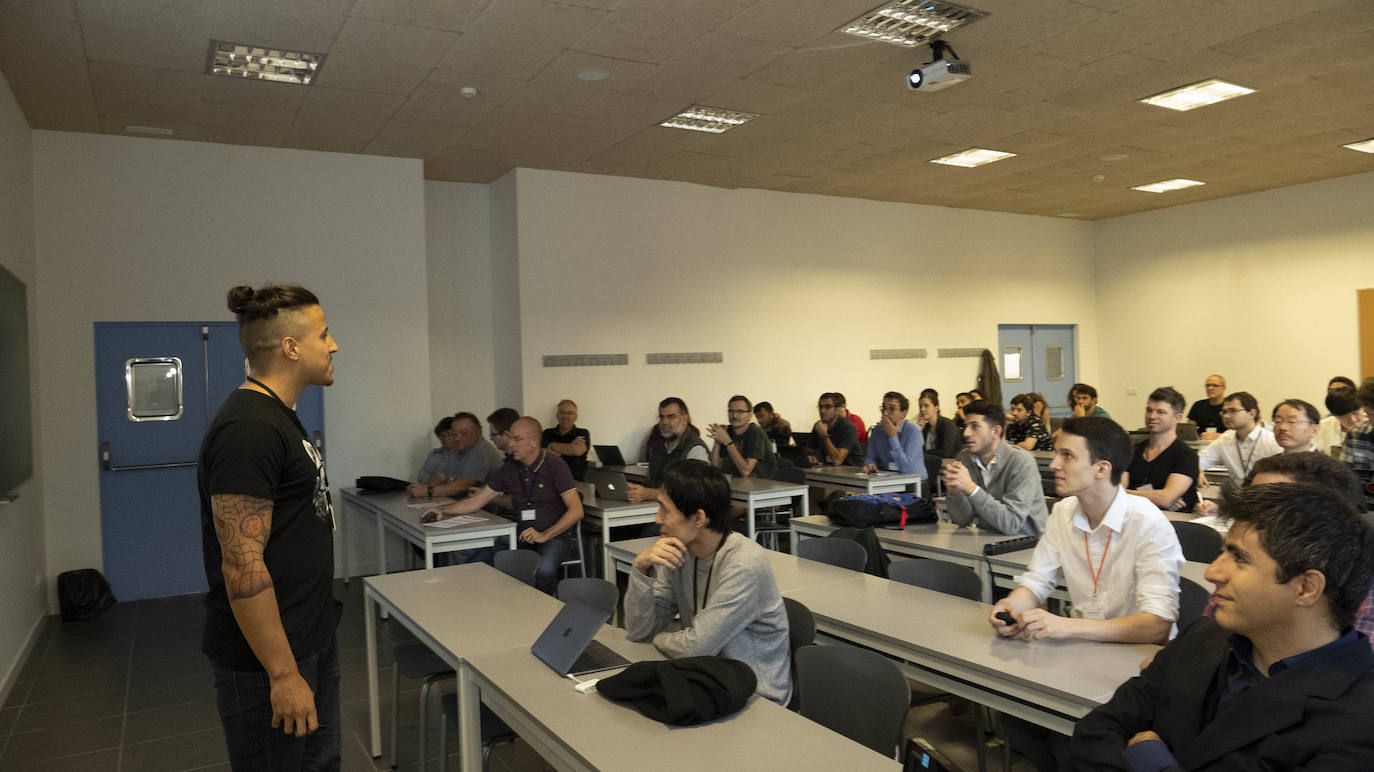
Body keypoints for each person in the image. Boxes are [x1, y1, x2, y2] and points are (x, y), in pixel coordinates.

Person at [1072, 483, 1374, 771]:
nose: (1213, 572)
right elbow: (1095, 731)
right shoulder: (1204, 636)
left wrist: (1151, 760)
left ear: (1306, 588)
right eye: (1223, 551)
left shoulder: (1360, 718)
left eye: (1240, 559)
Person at [198, 284, 342, 769]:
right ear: (292, 347)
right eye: (324, 334)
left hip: (308, 636)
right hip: (268, 663)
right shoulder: (250, 429)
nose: (334, 344)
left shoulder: (279, 416)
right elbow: (242, 564)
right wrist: (282, 675)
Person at [993, 416, 1185, 772]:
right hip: (1080, 654)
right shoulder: (1063, 512)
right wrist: (1010, 606)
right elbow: (1036, 583)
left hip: (1136, 666)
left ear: (1101, 468)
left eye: (1067, 456)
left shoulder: (1148, 523)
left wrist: (1066, 627)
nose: (1053, 464)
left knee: (1074, 741)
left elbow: (1157, 626)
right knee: (1017, 713)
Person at [624, 460, 792, 705]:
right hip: (706, 680)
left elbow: (695, 647)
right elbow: (639, 630)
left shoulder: (744, 564)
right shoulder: (680, 552)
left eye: (665, 510)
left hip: (756, 698)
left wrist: (660, 638)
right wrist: (640, 569)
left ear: (698, 518)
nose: (658, 519)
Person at [422, 417, 583, 594]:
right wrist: (441, 510)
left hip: (554, 535)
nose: (511, 444)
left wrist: (544, 535)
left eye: (517, 439)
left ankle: (544, 613)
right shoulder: (510, 468)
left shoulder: (555, 466)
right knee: (481, 560)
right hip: (521, 534)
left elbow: (576, 510)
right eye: (510, 438)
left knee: (544, 569)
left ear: (534, 441)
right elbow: (477, 500)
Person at [943, 400, 1047, 536]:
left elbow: (1011, 524)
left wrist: (971, 488)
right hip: (988, 541)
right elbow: (962, 520)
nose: (966, 433)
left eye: (975, 426)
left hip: (1028, 545)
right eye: (966, 426)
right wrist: (955, 493)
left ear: (996, 431)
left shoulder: (1021, 462)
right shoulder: (965, 458)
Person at [1123, 387, 1199, 512]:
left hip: (1173, 524)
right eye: (1149, 410)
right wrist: (1156, 498)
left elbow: (1165, 499)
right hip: (1135, 520)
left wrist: (1125, 494)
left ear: (1178, 417)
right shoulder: (1132, 450)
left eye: (1161, 412)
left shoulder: (1186, 455)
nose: (1152, 416)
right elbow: (1114, 493)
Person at [626, 397, 708, 503]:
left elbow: (693, 491)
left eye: (671, 417)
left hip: (683, 513)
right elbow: (651, 482)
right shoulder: (658, 446)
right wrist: (635, 490)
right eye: (661, 417)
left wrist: (649, 494)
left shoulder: (695, 449)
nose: (664, 422)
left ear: (684, 419)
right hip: (654, 507)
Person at [1195, 392, 1280, 489]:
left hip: (1266, 498)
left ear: (1252, 413)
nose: (1226, 416)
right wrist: (1198, 471)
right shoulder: (1225, 439)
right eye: (1224, 412)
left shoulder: (1272, 441)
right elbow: (1197, 461)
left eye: (1233, 410)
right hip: (1237, 499)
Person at [406, 412, 502, 499]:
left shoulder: (482, 451)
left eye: (464, 433)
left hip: (488, 508)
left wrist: (428, 491)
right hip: (463, 502)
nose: (458, 438)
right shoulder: (457, 450)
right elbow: (441, 476)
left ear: (479, 431)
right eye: (454, 434)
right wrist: (422, 488)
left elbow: (464, 485)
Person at [707, 395, 776, 478]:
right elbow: (715, 469)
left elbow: (746, 471)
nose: (734, 415)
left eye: (740, 412)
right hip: (735, 483)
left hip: (761, 485)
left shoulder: (755, 432)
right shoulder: (727, 431)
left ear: (750, 415)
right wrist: (717, 441)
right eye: (731, 411)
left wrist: (728, 442)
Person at [862, 391, 926, 481]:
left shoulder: (913, 431)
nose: (885, 413)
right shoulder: (877, 430)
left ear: (903, 413)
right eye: (884, 408)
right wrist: (870, 464)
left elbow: (907, 468)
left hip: (913, 483)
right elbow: (870, 456)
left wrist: (893, 437)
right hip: (888, 480)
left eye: (891, 409)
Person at [1341, 377, 1374, 510]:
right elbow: (1344, 482)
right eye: (1370, 415)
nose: (1373, 421)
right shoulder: (1355, 435)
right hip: (1364, 514)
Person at [805, 392, 861, 467]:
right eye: (820, 407)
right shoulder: (818, 426)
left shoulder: (848, 427)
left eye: (828, 407)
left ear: (838, 410)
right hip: (829, 470)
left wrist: (824, 436)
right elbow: (810, 449)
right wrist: (810, 456)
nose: (822, 411)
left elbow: (837, 461)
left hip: (852, 471)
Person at [541, 399, 590, 480]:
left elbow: (577, 451)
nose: (565, 416)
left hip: (575, 482)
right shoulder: (547, 433)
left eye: (570, 413)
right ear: (557, 415)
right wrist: (570, 447)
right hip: (550, 481)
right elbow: (541, 452)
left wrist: (552, 445)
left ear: (576, 416)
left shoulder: (582, 433)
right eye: (562, 412)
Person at [1315, 388, 1364, 457]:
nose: (1353, 419)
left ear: (1362, 408)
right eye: (1345, 416)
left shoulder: (1371, 423)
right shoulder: (1323, 426)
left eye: (1356, 413)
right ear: (1335, 416)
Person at [915, 388, 960, 460]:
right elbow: (918, 452)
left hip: (951, 465)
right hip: (932, 466)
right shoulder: (925, 427)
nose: (922, 409)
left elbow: (945, 453)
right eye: (920, 406)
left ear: (936, 408)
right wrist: (919, 431)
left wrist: (927, 452)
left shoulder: (948, 425)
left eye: (926, 406)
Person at [1186, 374, 1228, 439]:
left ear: (1224, 388)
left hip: (1225, 443)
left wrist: (1219, 436)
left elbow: (1238, 432)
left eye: (1215, 385)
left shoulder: (1230, 406)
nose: (1210, 388)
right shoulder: (1198, 405)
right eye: (1208, 385)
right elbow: (1189, 430)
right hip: (1200, 443)